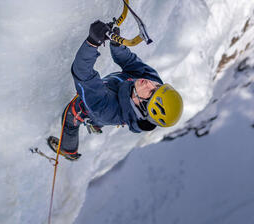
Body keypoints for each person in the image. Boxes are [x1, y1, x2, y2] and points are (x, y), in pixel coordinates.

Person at [48, 20, 183, 160]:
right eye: (157, 86)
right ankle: (96, 125)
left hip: (96, 108)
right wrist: (117, 45)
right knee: (98, 113)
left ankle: (68, 150)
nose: (150, 83)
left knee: (70, 117)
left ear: (142, 106)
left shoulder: (107, 110)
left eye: (150, 92)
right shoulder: (150, 80)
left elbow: (83, 74)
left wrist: (92, 43)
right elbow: (130, 62)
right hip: (109, 93)